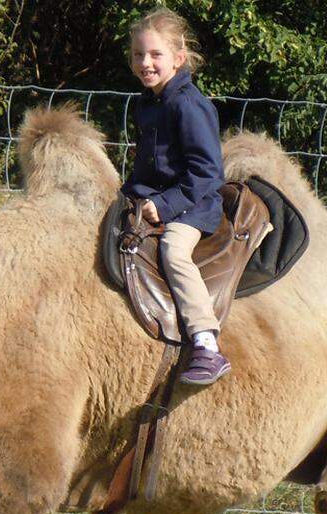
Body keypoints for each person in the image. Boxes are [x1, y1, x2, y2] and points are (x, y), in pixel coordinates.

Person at [122, 8, 230, 385]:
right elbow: (149, 165)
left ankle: (206, 343)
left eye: (155, 55)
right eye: (138, 55)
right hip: (156, 196)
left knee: (173, 251)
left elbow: (207, 172)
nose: (145, 62)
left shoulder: (188, 104)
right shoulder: (148, 102)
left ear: (178, 59)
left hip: (194, 206)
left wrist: (165, 205)